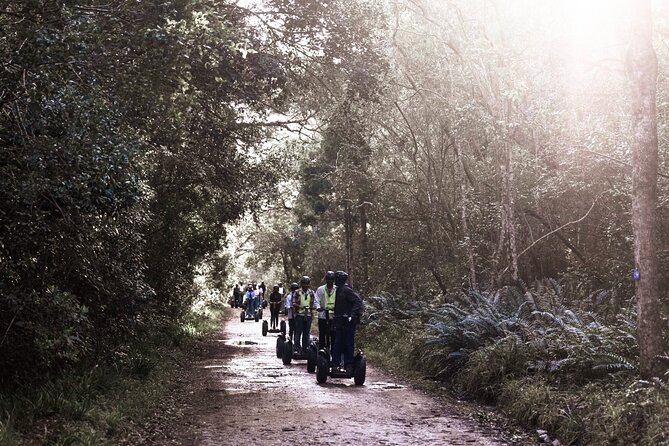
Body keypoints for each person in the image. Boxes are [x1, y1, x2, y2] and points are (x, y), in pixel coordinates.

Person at [331, 271, 362, 374]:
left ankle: (348, 365)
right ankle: (335, 364)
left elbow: (357, 301)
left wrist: (351, 315)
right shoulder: (339, 290)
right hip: (339, 322)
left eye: (336, 278)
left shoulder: (347, 290)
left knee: (348, 343)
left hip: (348, 323)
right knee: (337, 343)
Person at [314, 271, 337, 352]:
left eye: (331, 280)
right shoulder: (321, 289)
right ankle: (321, 352)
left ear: (334, 280)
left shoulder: (337, 289)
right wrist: (318, 307)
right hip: (323, 315)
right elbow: (316, 300)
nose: (330, 281)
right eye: (328, 279)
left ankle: (334, 352)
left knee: (334, 335)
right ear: (326, 280)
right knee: (322, 334)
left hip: (334, 316)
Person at [293, 276, 315, 354]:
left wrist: (312, 310)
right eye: (304, 284)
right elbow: (294, 303)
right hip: (299, 314)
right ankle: (296, 348)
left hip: (308, 314)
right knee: (298, 332)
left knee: (306, 333)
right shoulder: (297, 292)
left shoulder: (311, 292)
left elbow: (312, 303)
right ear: (301, 284)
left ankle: (306, 348)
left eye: (307, 284)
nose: (305, 285)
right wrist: (300, 307)